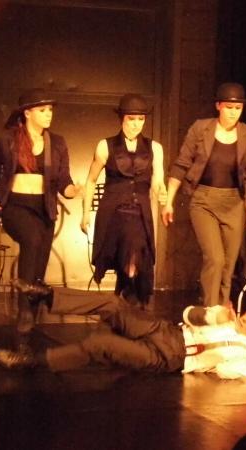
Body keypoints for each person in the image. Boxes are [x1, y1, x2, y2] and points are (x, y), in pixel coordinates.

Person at [0, 289, 246, 378]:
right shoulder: (224, 316)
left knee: (99, 344)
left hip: (168, 357)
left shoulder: (243, 355)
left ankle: (32, 361)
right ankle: (47, 296)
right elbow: (187, 313)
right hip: (166, 330)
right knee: (113, 304)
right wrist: (211, 315)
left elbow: (226, 371)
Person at [0, 88, 80, 334]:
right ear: (27, 113)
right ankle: (24, 310)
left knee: (39, 265)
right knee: (32, 239)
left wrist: (72, 190)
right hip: (15, 206)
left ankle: (29, 322)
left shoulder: (57, 143)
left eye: (50, 110)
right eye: (42, 110)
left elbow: (64, 180)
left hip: (44, 209)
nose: (49, 114)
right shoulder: (7, 139)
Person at [162, 82, 246, 307]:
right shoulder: (201, 129)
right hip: (203, 201)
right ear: (218, 106)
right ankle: (210, 310)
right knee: (215, 259)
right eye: (229, 107)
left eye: (238, 108)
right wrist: (168, 202)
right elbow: (181, 164)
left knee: (228, 263)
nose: (233, 113)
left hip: (234, 203)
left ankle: (221, 309)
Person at [80, 94, 167, 308]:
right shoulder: (106, 146)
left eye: (141, 119)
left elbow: (158, 180)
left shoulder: (154, 148)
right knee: (128, 251)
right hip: (114, 213)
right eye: (131, 119)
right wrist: (85, 214)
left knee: (137, 251)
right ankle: (128, 297)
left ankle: (128, 297)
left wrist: (162, 192)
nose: (136, 124)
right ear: (122, 119)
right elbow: (91, 180)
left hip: (140, 213)